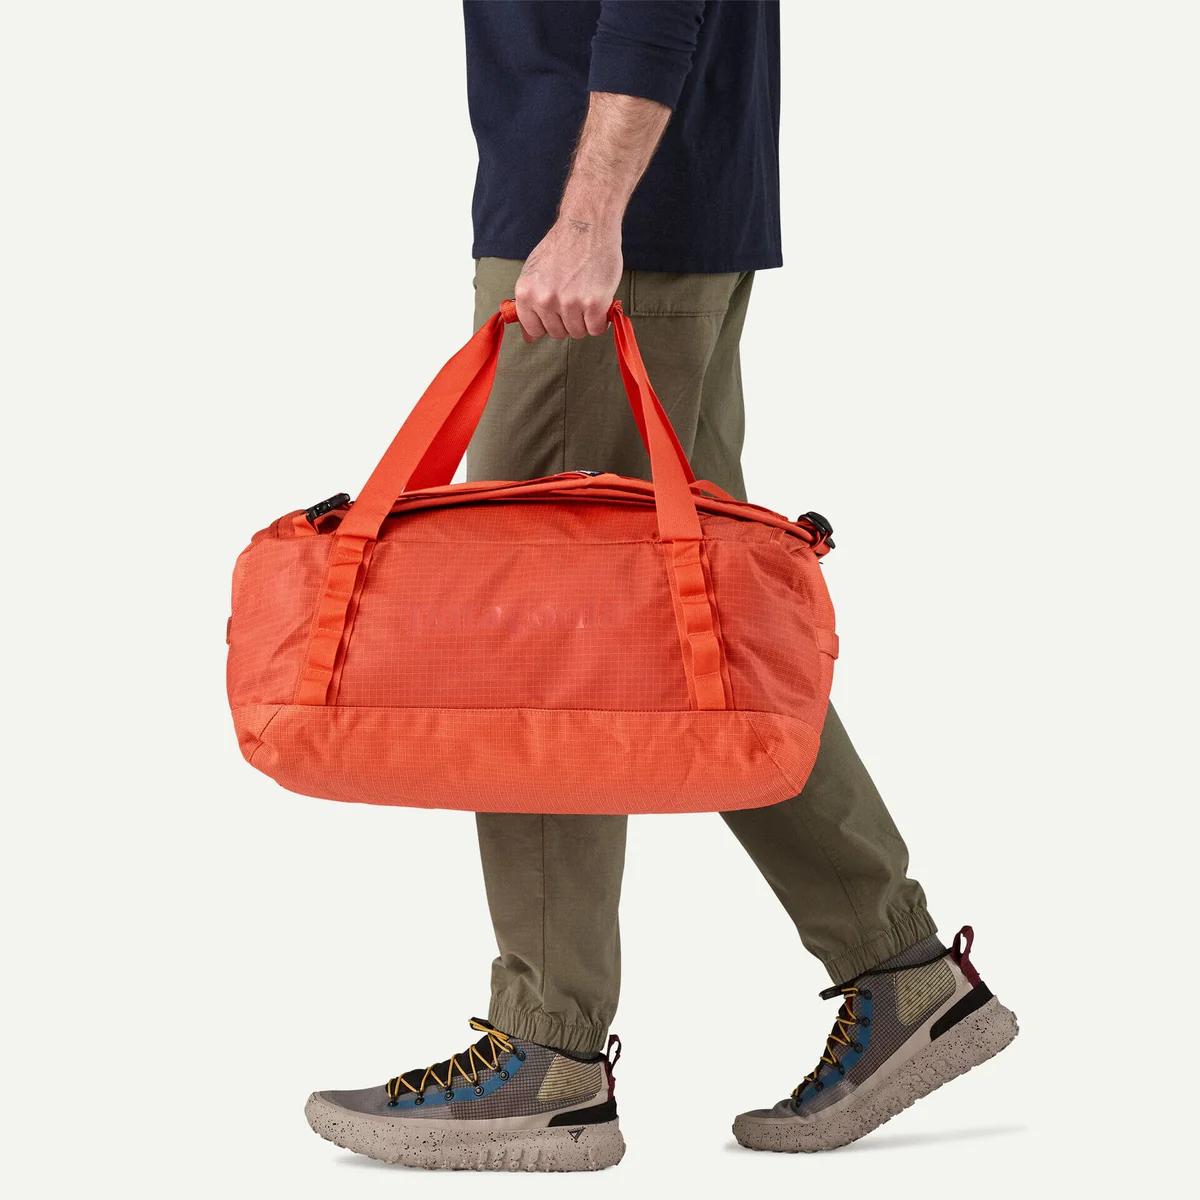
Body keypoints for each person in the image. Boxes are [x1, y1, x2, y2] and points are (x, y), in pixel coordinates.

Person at [303, 1, 1016, 1171]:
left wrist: (588, 218)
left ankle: (547, 1058)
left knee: (541, 640)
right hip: (655, 210)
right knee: (703, 643)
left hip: (599, 227)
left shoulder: (592, 226)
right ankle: (902, 973)